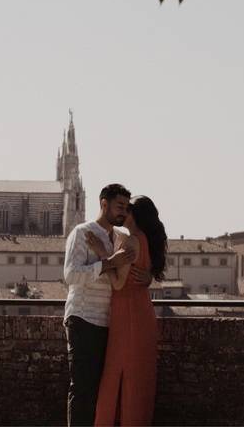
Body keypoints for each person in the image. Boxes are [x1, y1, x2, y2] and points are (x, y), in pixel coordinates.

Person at [63, 183, 151, 427]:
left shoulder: (119, 238)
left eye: (126, 207)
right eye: (119, 206)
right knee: (82, 389)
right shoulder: (82, 232)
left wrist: (149, 277)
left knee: (100, 392)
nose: (123, 211)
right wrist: (107, 262)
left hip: (107, 322)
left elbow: (129, 274)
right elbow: (71, 275)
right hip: (82, 318)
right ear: (104, 204)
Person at [87, 196, 167, 426]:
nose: (122, 212)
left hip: (127, 314)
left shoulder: (132, 241)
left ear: (134, 215)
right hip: (140, 310)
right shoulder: (142, 239)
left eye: (126, 209)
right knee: (136, 373)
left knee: (117, 370)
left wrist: (103, 253)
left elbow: (118, 284)